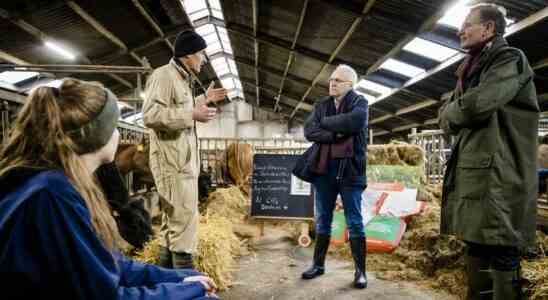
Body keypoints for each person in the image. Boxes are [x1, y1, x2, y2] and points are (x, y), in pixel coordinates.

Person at [0, 78, 218, 299]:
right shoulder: (53, 194)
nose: (118, 135)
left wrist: (181, 278)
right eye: (114, 127)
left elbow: (113, 265)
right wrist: (189, 290)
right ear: (96, 136)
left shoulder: (62, 184)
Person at [438, 4, 538, 299]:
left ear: (489, 28)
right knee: (477, 242)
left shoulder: (509, 58)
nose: (461, 30)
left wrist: (449, 112)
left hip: (501, 172)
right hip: (479, 171)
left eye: (468, 24)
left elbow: (477, 105)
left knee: (501, 246)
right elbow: (449, 110)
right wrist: (450, 112)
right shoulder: (471, 67)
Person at [142, 30, 227, 269]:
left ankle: (165, 281)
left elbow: (177, 108)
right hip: (172, 163)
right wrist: (192, 113)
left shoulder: (180, 78)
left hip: (181, 162)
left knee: (175, 223)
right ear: (189, 55)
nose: (204, 59)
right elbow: (150, 115)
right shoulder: (164, 76)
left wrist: (202, 100)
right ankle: (185, 283)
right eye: (201, 54)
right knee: (183, 221)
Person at [302, 64, 369, 288]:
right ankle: (318, 265)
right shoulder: (322, 104)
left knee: (355, 222)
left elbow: (356, 122)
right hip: (325, 171)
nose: (332, 83)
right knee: (323, 219)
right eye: (331, 79)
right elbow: (309, 131)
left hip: (351, 172)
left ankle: (361, 272)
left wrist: (325, 124)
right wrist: (338, 133)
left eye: (338, 80)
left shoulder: (360, 103)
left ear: (350, 85)